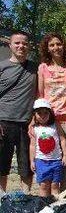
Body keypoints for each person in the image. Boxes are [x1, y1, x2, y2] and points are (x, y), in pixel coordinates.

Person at [37, 32, 66, 198]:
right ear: (47, 49)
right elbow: (40, 96)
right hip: (49, 123)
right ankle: (54, 199)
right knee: (52, 161)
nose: (56, 47)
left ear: (64, 46)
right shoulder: (42, 68)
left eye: (58, 44)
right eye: (52, 45)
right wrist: (38, 121)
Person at [0, 30, 38, 193]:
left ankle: (25, 198)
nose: (21, 46)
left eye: (24, 43)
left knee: (26, 165)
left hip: (26, 123)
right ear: (10, 45)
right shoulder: (2, 67)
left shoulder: (35, 68)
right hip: (3, 122)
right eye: (17, 43)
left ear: (28, 46)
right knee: (2, 164)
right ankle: (2, 199)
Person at [29, 99, 66, 198]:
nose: (42, 116)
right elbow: (32, 145)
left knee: (55, 185)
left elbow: (63, 139)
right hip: (41, 161)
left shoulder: (55, 125)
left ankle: (55, 206)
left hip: (56, 161)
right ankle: (44, 206)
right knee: (43, 185)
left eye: (45, 113)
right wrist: (32, 161)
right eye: (39, 113)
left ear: (50, 114)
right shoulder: (34, 128)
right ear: (34, 115)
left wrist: (65, 155)